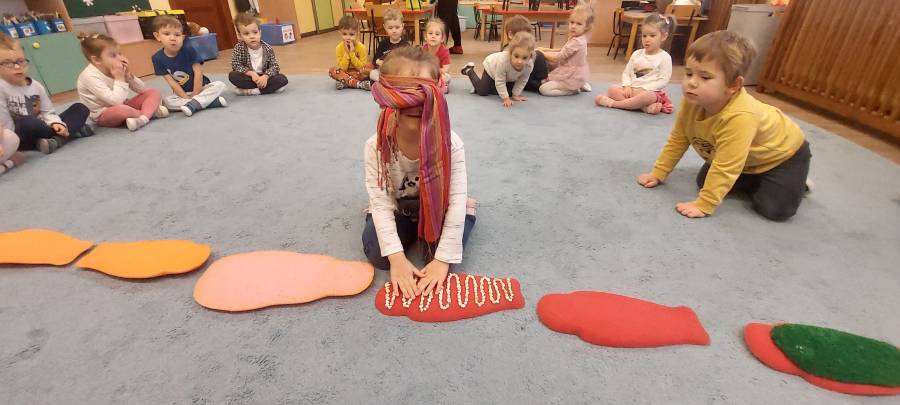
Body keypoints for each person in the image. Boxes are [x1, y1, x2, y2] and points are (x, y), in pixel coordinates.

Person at [637, 31, 812, 221]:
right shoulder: (693, 101)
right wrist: (658, 173)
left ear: (733, 85)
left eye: (705, 77)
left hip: (783, 156)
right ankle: (755, 177)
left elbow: (726, 166)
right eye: (689, 73)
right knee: (704, 181)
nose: (692, 82)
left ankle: (798, 182)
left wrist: (704, 204)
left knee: (774, 210)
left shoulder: (741, 116)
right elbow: (678, 140)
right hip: (745, 157)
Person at [362, 46, 477, 300]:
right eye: (405, 92)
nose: (414, 101)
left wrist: (442, 261)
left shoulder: (451, 144)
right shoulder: (376, 145)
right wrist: (397, 259)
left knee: (439, 254)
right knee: (378, 254)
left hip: (438, 206)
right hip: (399, 206)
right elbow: (381, 203)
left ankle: (469, 214)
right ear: (387, 97)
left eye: (423, 91)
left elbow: (454, 200)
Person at [77, 32, 167, 131]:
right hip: (103, 114)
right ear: (96, 60)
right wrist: (119, 78)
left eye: (119, 53)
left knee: (153, 92)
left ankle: (142, 118)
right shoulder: (90, 76)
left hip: (123, 104)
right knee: (123, 110)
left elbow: (142, 90)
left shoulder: (115, 68)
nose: (120, 58)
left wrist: (128, 75)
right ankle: (149, 113)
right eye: (113, 55)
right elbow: (116, 101)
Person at [596, 13, 675, 114]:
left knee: (648, 96)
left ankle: (614, 104)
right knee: (612, 90)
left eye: (652, 36)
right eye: (644, 35)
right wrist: (627, 86)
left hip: (649, 92)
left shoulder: (665, 57)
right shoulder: (636, 54)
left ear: (663, 36)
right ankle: (643, 108)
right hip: (631, 90)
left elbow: (663, 80)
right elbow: (627, 73)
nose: (647, 39)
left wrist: (644, 89)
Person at [151, 15, 227, 116]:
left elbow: (198, 73)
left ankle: (194, 103)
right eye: (167, 34)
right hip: (182, 94)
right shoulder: (157, 58)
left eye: (177, 35)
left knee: (220, 85)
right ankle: (205, 103)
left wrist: (195, 94)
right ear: (157, 36)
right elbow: (172, 82)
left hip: (201, 88)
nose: (173, 38)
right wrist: (186, 97)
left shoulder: (189, 50)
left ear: (182, 37)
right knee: (166, 102)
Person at [461, 31, 535, 108]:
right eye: (516, 56)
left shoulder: (529, 65)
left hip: (506, 76)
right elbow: (500, 81)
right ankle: (469, 70)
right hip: (491, 68)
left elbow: (522, 80)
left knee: (509, 92)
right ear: (510, 53)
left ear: (530, 56)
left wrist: (515, 95)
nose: (519, 61)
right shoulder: (503, 61)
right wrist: (505, 98)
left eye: (525, 58)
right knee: (482, 91)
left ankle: (491, 86)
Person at [229, 12, 288, 95]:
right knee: (233, 76)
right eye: (246, 34)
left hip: (264, 76)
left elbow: (275, 67)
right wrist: (251, 73)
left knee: (282, 79)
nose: (252, 36)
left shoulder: (267, 48)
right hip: (249, 77)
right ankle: (266, 89)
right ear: (240, 36)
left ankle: (251, 91)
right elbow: (236, 65)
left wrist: (265, 76)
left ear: (260, 32)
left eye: (255, 32)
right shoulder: (239, 48)